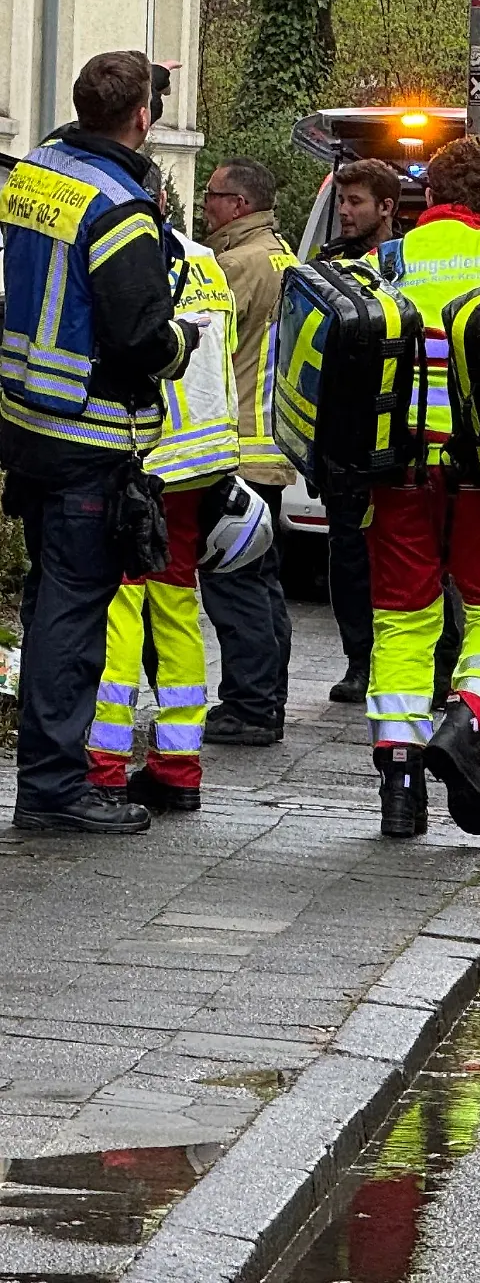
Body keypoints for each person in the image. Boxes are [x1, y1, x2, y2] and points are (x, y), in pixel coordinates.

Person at [0, 50, 198, 834]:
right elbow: (141, 336)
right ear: (142, 117)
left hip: (27, 424)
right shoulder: (119, 207)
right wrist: (184, 341)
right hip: (87, 434)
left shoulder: (39, 172)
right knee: (72, 620)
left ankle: (47, 778)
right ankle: (53, 789)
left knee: (49, 601)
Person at [366, 138, 480, 839]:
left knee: (402, 620)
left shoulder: (386, 264)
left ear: (427, 196)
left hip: (401, 470)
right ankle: (469, 720)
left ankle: (400, 785)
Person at [85, 228, 240, 810]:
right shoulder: (206, 263)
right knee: (177, 610)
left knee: (120, 608)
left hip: (146, 457)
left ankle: (103, 765)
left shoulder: (130, 254)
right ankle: (178, 766)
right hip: (201, 459)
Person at [199, 158, 296, 745]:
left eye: (212, 194)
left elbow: (201, 343)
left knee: (233, 583)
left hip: (237, 447)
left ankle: (250, 706)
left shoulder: (237, 265)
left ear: (238, 204)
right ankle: (265, 699)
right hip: (271, 448)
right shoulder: (281, 255)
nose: (204, 203)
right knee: (261, 580)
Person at [319, 159, 401, 704]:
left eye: (356, 202)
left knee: (407, 555)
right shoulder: (329, 267)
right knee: (347, 553)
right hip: (344, 435)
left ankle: (423, 663)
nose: (345, 212)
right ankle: (359, 660)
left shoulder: (404, 265)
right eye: (341, 201)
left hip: (399, 432)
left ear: (386, 207)